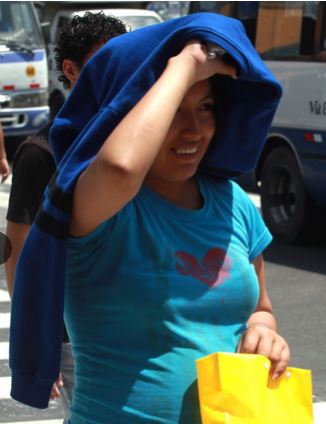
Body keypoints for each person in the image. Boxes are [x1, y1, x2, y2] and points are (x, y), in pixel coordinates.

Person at [9, 14, 288, 423]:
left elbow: (260, 308)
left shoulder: (234, 203)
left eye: (206, 107)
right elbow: (121, 166)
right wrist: (185, 64)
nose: (193, 130)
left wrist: (265, 330)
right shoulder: (101, 205)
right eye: (175, 109)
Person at [4, 12, 127, 422]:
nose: (117, 74)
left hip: (132, 320)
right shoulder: (40, 154)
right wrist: (40, 342)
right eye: (103, 62)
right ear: (72, 70)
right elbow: (20, 253)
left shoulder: (132, 140)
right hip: (74, 337)